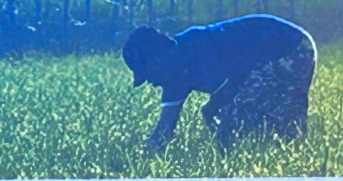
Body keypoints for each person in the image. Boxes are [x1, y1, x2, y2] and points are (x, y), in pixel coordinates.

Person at [122, 14, 316, 151]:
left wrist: (212, 109)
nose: (151, 83)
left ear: (158, 59)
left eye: (147, 75)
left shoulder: (196, 46)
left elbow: (234, 84)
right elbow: (164, 130)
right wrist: (142, 154)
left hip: (290, 46)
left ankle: (282, 157)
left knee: (240, 118)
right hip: (272, 54)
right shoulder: (173, 76)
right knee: (244, 122)